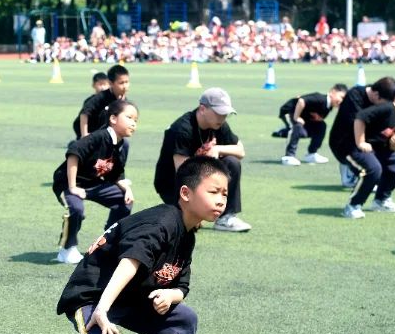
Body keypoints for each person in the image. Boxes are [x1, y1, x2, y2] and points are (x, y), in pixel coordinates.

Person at [44, 156, 229, 334]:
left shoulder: (187, 233)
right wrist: (102, 310)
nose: (221, 200)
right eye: (214, 191)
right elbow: (129, 262)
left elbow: (182, 283)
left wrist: (172, 294)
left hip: (131, 298)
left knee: (184, 320)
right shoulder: (162, 221)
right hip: (93, 293)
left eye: (225, 194)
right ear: (186, 193)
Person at [153, 87, 250, 233]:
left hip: (199, 179)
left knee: (232, 162)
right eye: (219, 113)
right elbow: (183, 173)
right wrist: (194, 213)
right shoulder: (182, 129)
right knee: (185, 226)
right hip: (173, 185)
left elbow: (240, 151)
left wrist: (218, 149)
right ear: (202, 109)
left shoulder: (219, 124)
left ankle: (225, 217)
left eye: (225, 114)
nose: (222, 118)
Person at [53, 100, 139, 264]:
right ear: (113, 119)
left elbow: (116, 172)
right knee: (76, 209)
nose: (133, 123)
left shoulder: (123, 145)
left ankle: (107, 243)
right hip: (68, 182)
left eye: (136, 120)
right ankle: (66, 249)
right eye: (129, 117)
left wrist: (126, 188)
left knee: (123, 201)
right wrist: (72, 187)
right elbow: (73, 154)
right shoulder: (98, 137)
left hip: (93, 183)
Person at [340, 81, 395, 219]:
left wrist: (393, 144)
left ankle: (381, 200)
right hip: (353, 148)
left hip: (375, 151)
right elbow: (360, 117)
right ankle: (352, 205)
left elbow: (389, 146)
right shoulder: (386, 108)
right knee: (374, 168)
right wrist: (361, 142)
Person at [328, 77, 395, 188]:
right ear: (376, 94)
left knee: (388, 173)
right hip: (344, 144)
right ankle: (348, 168)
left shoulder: (380, 95)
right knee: (371, 175)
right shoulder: (354, 96)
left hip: (366, 141)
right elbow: (356, 125)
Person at [279, 84, 348, 166]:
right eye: (341, 97)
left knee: (321, 126)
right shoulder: (320, 98)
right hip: (289, 111)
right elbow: (301, 101)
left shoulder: (329, 106)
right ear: (332, 92)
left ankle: (311, 154)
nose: (342, 101)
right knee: (296, 126)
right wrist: (296, 117)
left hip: (303, 116)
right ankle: (289, 156)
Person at [72, 64, 129, 138]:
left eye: (127, 82)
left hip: (104, 132)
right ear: (111, 83)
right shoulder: (101, 97)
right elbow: (84, 113)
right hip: (90, 130)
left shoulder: (124, 101)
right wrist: (84, 135)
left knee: (124, 145)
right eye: (121, 83)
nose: (125, 86)